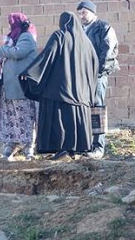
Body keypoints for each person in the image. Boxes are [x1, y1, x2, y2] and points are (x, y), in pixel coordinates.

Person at [19, 11, 98, 160]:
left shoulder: (60, 36)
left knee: (59, 118)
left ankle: (61, 149)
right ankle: (75, 150)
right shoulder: (87, 43)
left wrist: (29, 73)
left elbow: (47, 56)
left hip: (61, 90)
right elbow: (94, 67)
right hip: (82, 95)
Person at [0, 12, 39, 161]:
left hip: (21, 88)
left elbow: (19, 53)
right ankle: (9, 149)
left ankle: (28, 151)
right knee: (11, 119)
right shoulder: (14, 38)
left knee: (24, 119)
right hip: (10, 88)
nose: (9, 26)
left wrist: (1, 49)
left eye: (10, 23)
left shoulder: (26, 36)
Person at [77, 0, 119, 159]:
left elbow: (108, 52)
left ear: (93, 13)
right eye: (80, 13)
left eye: (84, 12)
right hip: (82, 77)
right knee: (84, 109)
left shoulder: (103, 28)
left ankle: (98, 147)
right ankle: (86, 145)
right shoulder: (79, 30)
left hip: (97, 76)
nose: (82, 16)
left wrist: (98, 72)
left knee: (97, 109)